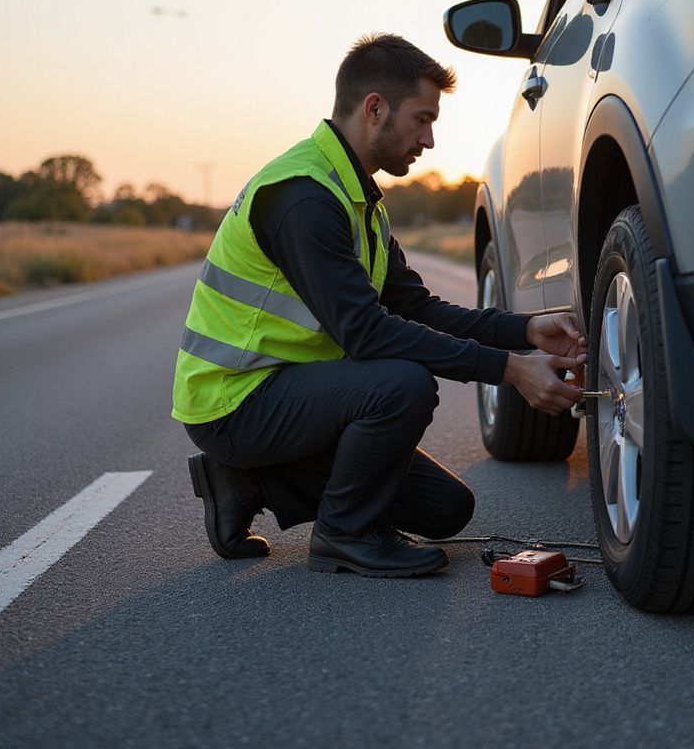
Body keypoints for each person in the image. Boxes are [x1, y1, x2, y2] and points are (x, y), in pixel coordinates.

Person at [173, 33, 587, 577]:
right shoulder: (303, 197)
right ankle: (342, 534)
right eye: (421, 119)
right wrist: (510, 371)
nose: (431, 139)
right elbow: (366, 335)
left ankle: (245, 481)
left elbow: (419, 308)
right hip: (234, 401)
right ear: (375, 109)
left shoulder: (357, 198)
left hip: (291, 394)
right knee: (401, 386)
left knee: (446, 510)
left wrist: (526, 330)